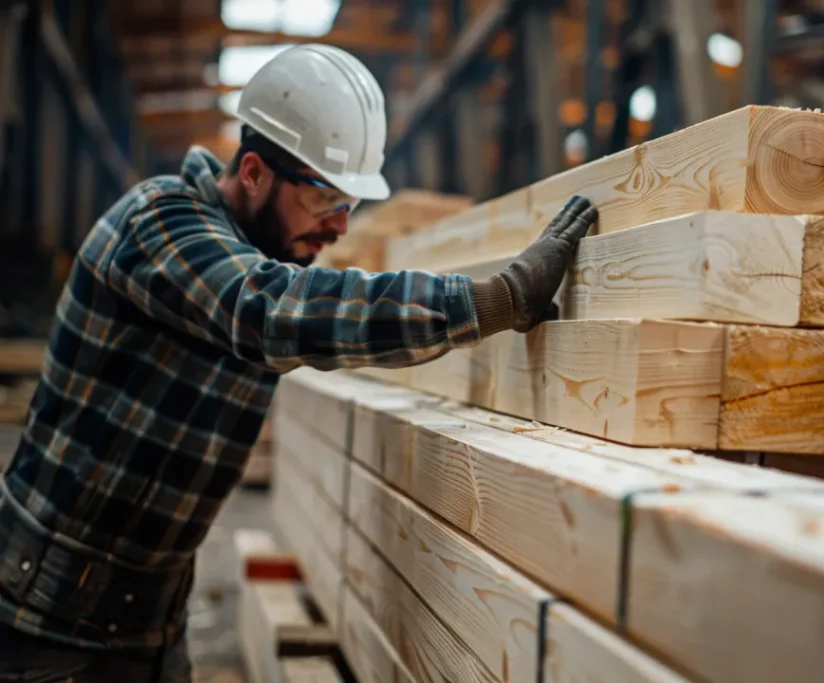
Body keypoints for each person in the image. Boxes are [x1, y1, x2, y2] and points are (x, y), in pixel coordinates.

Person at [0, 44, 597, 681]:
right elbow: (266, 313)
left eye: (351, 205)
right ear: (254, 172)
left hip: (150, 621)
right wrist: (493, 301)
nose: (340, 227)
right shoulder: (160, 221)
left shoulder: (263, 253)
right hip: (50, 621)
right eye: (325, 200)